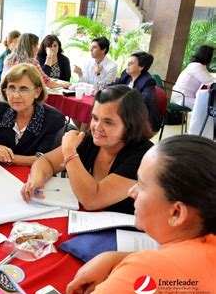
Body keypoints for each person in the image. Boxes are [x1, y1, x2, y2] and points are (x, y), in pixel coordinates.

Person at [66, 135, 216, 294]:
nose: (131, 192)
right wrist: (114, 258)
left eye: (142, 185)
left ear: (177, 213)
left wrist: (131, 266)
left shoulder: (144, 272)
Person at [21, 85, 154, 214]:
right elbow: (46, 161)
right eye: (95, 118)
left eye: (108, 122)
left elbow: (92, 200)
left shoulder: (144, 156)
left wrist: (69, 152)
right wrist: (37, 179)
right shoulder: (92, 139)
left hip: (127, 232)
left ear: (130, 125)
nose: (97, 127)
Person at [0, 63, 66, 166]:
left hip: (32, 179)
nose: (15, 95)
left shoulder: (53, 119)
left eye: (23, 89)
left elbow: (44, 159)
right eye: (11, 88)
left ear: (37, 92)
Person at [72, 37, 118, 131]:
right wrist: (80, 74)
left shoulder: (112, 66)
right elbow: (86, 83)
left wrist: (98, 74)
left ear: (103, 50)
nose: (90, 50)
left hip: (102, 99)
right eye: (91, 47)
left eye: (94, 47)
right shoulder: (89, 62)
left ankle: (82, 135)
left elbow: (106, 88)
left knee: (87, 110)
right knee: (73, 109)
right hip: (88, 96)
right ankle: (84, 134)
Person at [112, 52, 161, 132]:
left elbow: (145, 101)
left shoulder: (148, 81)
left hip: (141, 118)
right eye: (128, 62)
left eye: (131, 63)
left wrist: (124, 100)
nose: (127, 65)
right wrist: (105, 89)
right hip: (124, 111)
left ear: (141, 67)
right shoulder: (126, 74)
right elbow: (116, 85)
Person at [171, 45, 215, 109]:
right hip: (182, 97)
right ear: (207, 56)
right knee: (209, 109)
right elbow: (209, 80)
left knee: (209, 107)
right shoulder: (196, 66)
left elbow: (210, 79)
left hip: (185, 96)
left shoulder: (200, 65)